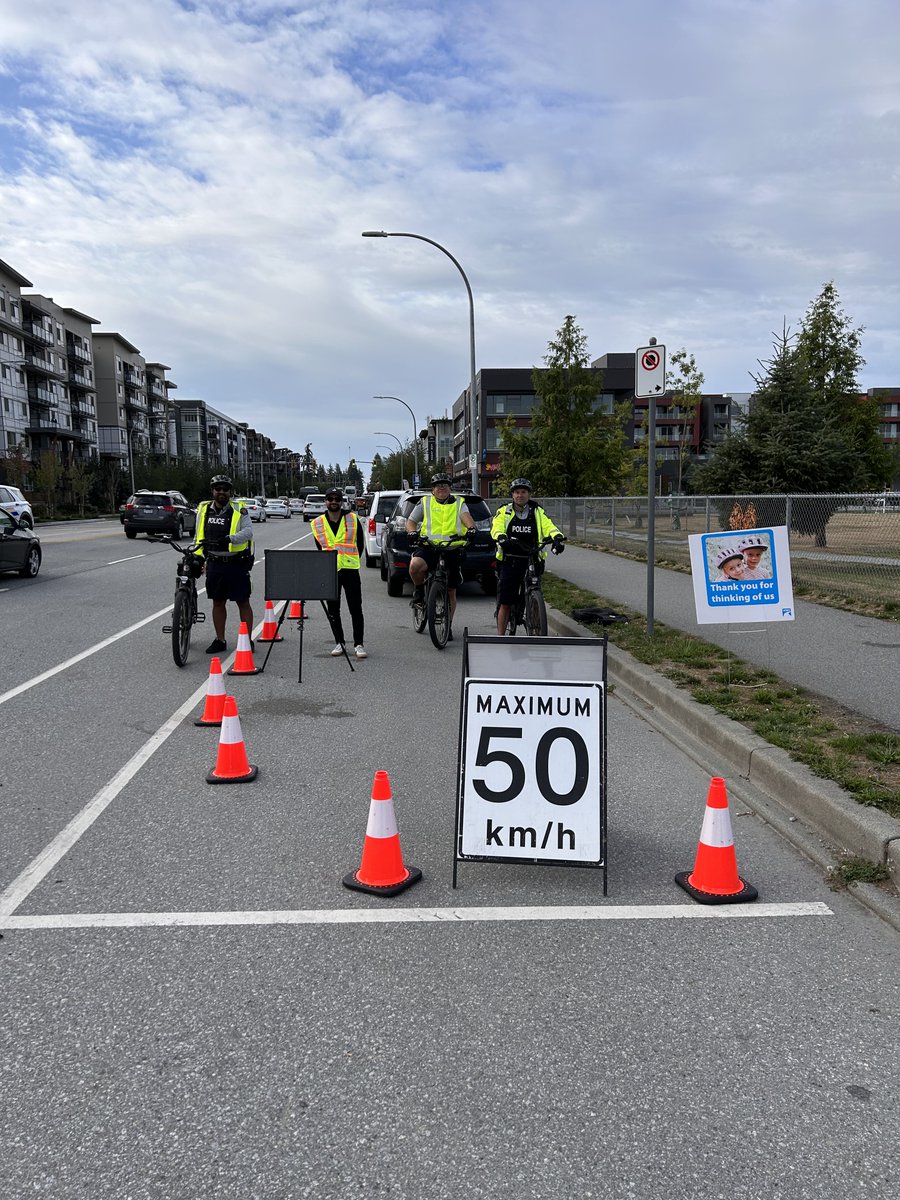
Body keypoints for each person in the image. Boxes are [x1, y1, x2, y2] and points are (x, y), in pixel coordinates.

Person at [406, 473, 476, 641]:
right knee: (414, 565)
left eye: (445, 485)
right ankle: (418, 593)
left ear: (450, 488)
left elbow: (468, 520)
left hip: (452, 549)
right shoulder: (425, 502)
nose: (442, 488)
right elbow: (411, 521)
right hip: (429, 547)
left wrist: (472, 528)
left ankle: (448, 624)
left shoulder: (459, 503)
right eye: (438, 485)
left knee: (451, 590)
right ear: (433, 489)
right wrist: (412, 532)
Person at [490, 479, 565, 634]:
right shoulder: (505, 511)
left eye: (523, 492)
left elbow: (548, 525)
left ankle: (536, 626)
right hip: (510, 559)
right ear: (512, 494)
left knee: (534, 590)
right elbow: (496, 526)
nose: (520, 495)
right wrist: (501, 537)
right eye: (517, 492)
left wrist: (557, 537)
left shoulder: (537, 511)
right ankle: (500, 638)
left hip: (532, 557)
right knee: (505, 602)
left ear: (529, 494)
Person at [194, 475, 255, 653]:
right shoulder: (204, 509)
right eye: (218, 489)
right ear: (212, 491)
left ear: (230, 492)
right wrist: (199, 556)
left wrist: (230, 539)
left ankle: (247, 640)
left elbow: (248, 532)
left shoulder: (239, 509)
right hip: (215, 563)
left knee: (243, 602)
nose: (221, 492)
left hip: (237, 562)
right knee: (218, 602)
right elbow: (198, 535)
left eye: (225, 489)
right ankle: (220, 640)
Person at [312, 486, 367, 660]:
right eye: (330, 499)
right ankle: (339, 642)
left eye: (337, 499)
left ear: (341, 502)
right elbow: (320, 547)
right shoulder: (317, 523)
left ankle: (359, 644)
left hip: (350, 569)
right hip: (330, 571)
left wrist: (351, 559)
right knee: (333, 609)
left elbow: (360, 544)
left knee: (355, 608)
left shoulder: (352, 518)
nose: (333, 502)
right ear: (325, 502)